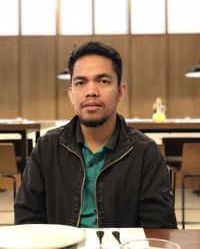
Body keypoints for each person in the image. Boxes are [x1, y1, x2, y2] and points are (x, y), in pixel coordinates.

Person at [14, 41, 177, 228]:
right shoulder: (47, 148)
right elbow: (26, 221)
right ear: (71, 93)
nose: (91, 91)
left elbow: (159, 230)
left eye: (103, 81)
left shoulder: (145, 153)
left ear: (120, 92)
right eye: (80, 82)